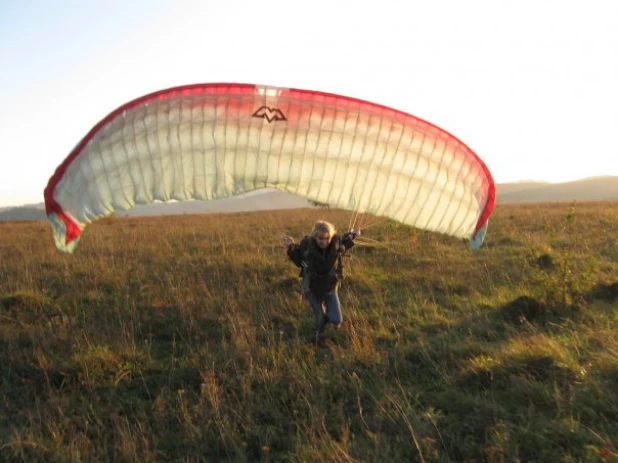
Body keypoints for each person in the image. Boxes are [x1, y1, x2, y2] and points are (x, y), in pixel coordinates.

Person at [283, 221, 360, 340]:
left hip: (330, 286)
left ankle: (329, 326)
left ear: (331, 237)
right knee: (320, 318)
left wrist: (353, 234)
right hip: (312, 287)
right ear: (315, 236)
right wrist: (291, 247)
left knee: (336, 320)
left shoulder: (336, 245)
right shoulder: (306, 247)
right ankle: (318, 337)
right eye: (320, 238)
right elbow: (298, 261)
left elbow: (345, 242)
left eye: (327, 238)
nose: (323, 241)